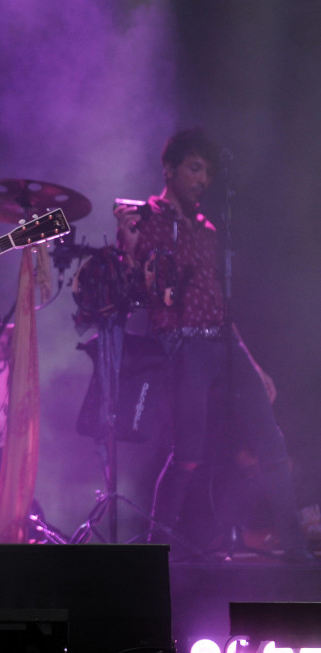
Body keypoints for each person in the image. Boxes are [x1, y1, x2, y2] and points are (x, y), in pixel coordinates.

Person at [114, 128, 313, 562]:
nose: (203, 179)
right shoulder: (144, 218)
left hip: (224, 342)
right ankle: (155, 548)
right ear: (170, 169)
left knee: (272, 441)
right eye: (194, 168)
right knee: (188, 453)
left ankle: (296, 548)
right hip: (182, 346)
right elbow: (132, 289)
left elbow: (219, 303)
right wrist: (127, 245)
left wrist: (252, 363)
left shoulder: (207, 227)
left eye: (208, 172)